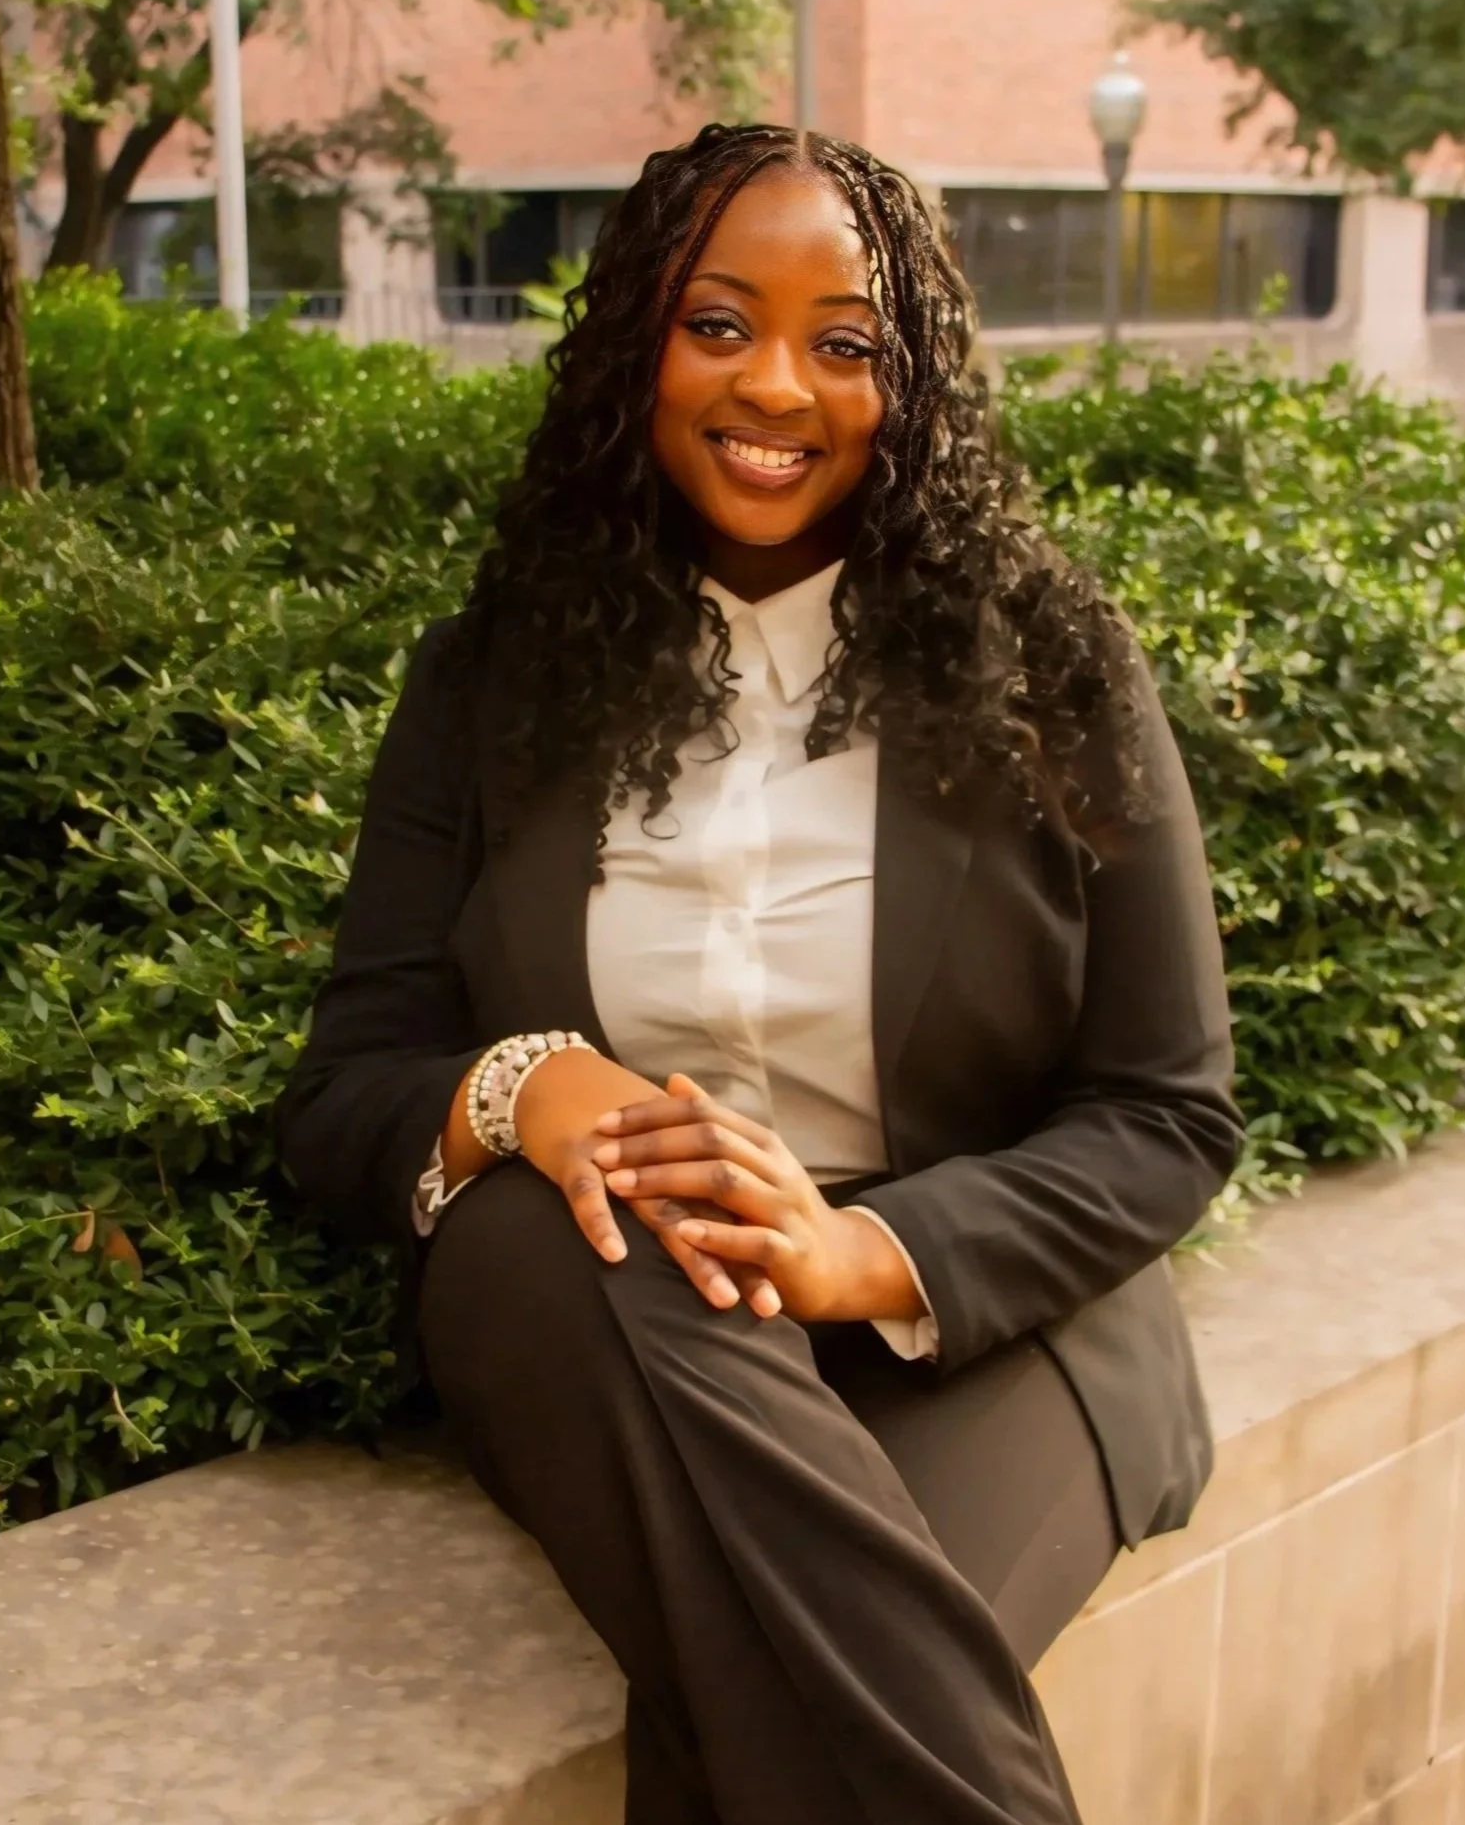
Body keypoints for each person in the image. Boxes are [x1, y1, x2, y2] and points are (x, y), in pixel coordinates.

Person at [275, 122, 1242, 1825]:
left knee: (761, 1732)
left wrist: (858, 1250)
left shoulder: (1054, 666)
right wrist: (524, 1091)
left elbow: (1162, 1114)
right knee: (623, 1216)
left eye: (843, 342)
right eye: (718, 323)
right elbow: (343, 1101)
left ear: (912, 382)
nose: (776, 385)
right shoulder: (490, 680)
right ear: (636, 343)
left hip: (984, 1320)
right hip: (596, 1305)